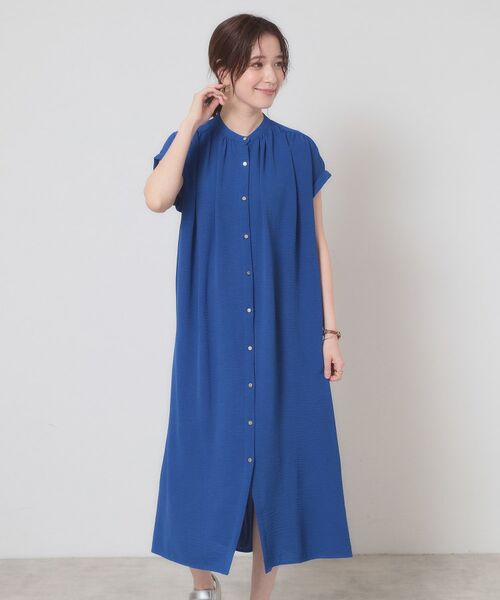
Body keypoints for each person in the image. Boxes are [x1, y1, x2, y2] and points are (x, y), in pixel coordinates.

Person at [144, 13, 352, 600]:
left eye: (278, 63)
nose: (271, 76)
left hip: (286, 330)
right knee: (203, 452)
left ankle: (262, 596)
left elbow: (318, 244)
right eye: (257, 63)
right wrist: (191, 120)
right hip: (212, 334)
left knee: (275, 464)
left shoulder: (298, 150)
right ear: (224, 70)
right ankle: (202, 585)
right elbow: (157, 198)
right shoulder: (193, 144)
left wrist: (330, 333)